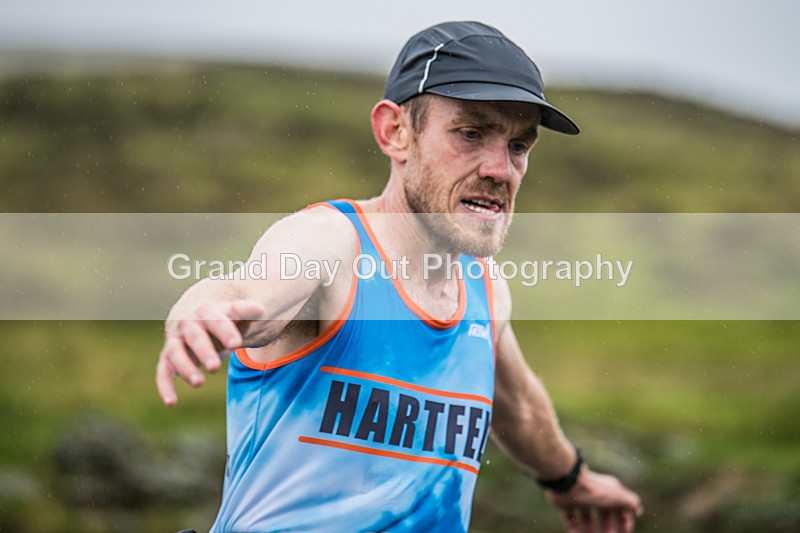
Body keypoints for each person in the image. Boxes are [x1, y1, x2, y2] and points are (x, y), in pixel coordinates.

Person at [156, 21, 643, 532]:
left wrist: (572, 481)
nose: (501, 169)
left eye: (519, 146)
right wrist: (204, 311)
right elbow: (253, 293)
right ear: (396, 132)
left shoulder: (484, 287)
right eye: (471, 134)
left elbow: (516, 406)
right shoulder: (332, 243)